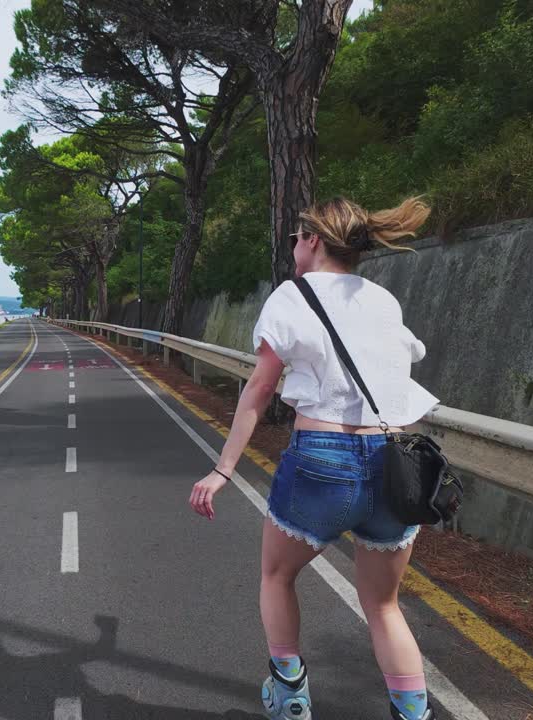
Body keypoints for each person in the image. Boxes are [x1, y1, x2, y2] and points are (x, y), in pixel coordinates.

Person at [188, 196, 439, 720]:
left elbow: (258, 390)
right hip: (395, 461)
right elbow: (407, 357)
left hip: (324, 458)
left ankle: (291, 697)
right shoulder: (383, 300)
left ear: (314, 240)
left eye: (296, 239)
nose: (294, 249)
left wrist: (222, 469)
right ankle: (413, 714)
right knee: (384, 605)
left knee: (277, 576)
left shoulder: (291, 295)